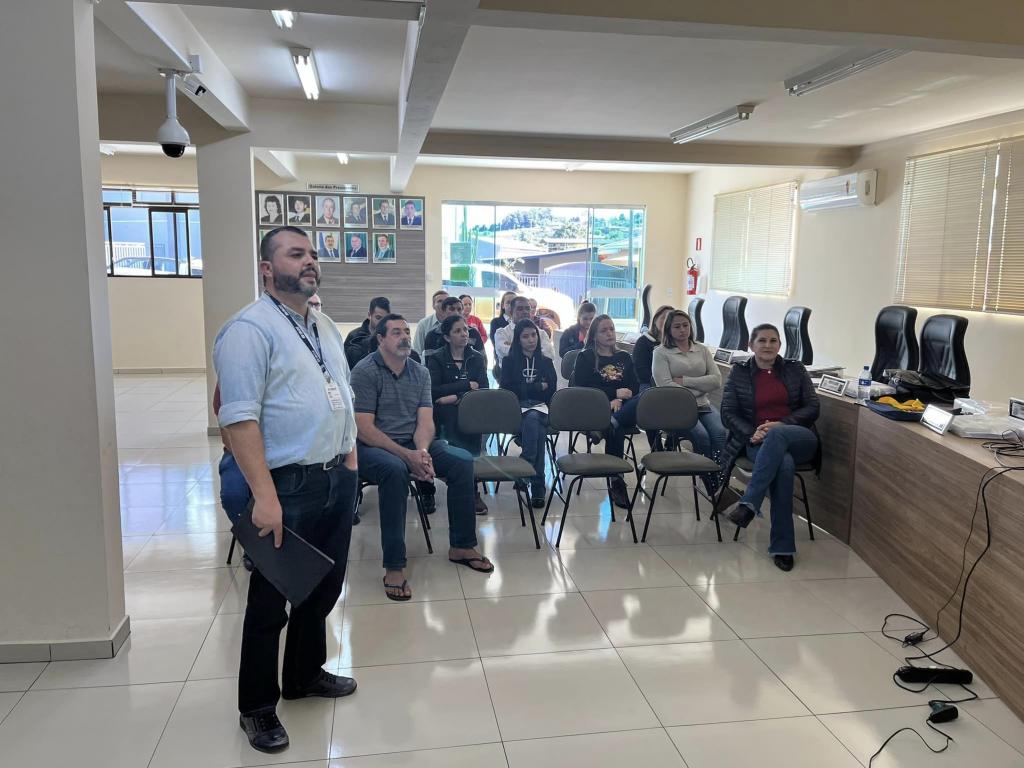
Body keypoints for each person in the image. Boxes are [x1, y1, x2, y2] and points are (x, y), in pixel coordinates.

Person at [213, 226, 359, 754]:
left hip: (334, 476)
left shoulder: (323, 325)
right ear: (267, 269)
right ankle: (257, 707)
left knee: (323, 587)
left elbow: (340, 393)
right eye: (296, 254)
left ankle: (303, 674)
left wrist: (350, 460)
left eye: (313, 254)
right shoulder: (249, 330)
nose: (310, 261)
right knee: (271, 602)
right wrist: (265, 497)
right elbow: (238, 418)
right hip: (284, 485)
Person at [351, 314, 494, 601]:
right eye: (396, 332)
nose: (405, 336)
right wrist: (408, 456)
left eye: (407, 331)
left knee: (461, 461)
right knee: (395, 471)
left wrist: (423, 453)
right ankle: (394, 566)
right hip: (372, 447)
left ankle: (461, 546)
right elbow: (363, 428)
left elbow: (425, 422)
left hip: (414, 443)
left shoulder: (420, 372)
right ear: (380, 339)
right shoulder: (364, 371)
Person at [720, 323, 820, 572]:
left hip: (799, 437)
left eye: (773, 341)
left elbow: (812, 407)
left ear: (779, 345)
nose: (768, 345)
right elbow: (728, 413)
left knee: (777, 436)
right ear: (751, 345)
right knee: (783, 465)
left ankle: (749, 503)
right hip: (758, 440)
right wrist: (752, 432)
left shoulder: (795, 369)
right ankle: (783, 547)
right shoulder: (739, 372)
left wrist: (782, 424)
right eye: (762, 341)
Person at [652, 309, 726, 493]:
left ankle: (721, 478)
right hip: (677, 408)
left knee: (719, 434)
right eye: (677, 327)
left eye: (685, 325)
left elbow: (716, 380)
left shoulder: (702, 349)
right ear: (669, 330)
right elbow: (665, 385)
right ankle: (710, 481)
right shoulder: (661, 352)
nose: (682, 330)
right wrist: (701, 387)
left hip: (703, 405)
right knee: (703, 437)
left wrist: (685, 381)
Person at [571, 314, 639, 509]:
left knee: (644, 396)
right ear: (594, 335)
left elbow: (634, 386)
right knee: (617, 428)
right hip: (595, 408)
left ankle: (610, 424)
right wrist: (612, 395)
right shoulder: (586, 357)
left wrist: (619, 399)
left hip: (623, 408)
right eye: (604, 330)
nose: (610, 333)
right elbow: (582, 388)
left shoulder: (624, 357)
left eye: (612, 329)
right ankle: (617, 481)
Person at [426, 314, 490, 514]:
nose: (464, 334)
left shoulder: (476, 357)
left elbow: (483, 388)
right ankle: (430, 489)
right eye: (457, 331)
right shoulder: (437, 358)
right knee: (451, 417)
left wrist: (456, 396)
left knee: (471, 420)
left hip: (469, 409)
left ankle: (471, 487)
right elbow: (434, 391)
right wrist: (466, 385)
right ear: (447, 337)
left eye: (465, 330)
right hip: (442, 413)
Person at [500, 319, 558, 508]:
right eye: (525, 336)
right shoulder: (509, 361)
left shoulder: (546, 361)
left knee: (534, 419)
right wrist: (536, 387)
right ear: (518, 340)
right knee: (537, 430)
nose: (531, 339)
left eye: (533, 335)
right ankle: (537, 488)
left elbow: (551, 391)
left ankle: (525, 467)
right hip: (518, 410)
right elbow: (507, 391)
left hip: (542, 409)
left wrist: (525, 389)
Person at [633, 304, 674, 451]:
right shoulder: (644, 342)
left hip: (671, 384)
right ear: (655, 319)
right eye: (663, 318)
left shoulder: (675, 342)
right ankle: (656, 447)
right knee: (650, 404)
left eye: (670, 318)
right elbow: (641, 371)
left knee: (680, 402)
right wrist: (661, 379)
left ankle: (671, 442)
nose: (666, 321)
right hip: (648, 383)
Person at [494, 296, 554, 366]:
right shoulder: (502, 333)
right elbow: (504, 353)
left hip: (537, 371)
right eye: (520, 309)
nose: (525, 312)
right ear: (511, 312)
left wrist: (513, 346)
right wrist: (535, 350)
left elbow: (549, 355)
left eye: (527, 309)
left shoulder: (541, 333)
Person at [344, 296, 390, 369]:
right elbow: (346, 366)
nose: (382, 322)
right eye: (378, 318)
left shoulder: (393, 337)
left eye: (385, 319)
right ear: (369, 315)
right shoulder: (354, 336)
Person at [413, 289, 449, 354]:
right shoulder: (423, 324)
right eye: (440, 301)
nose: (443, 304)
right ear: (433, 305)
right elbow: (418, 351)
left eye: (446, 301)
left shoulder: (455, 324)